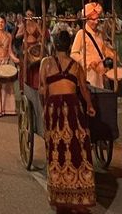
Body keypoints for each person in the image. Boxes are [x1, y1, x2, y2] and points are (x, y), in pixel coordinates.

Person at [39, 31, 96, 214]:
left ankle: (60, 196)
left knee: (56, 151)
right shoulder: (76, 66)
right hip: (72, 108)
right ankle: (79, 193)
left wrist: (44, 109)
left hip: (53, 109)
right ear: (70, 46)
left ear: (55, 45)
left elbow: (43, 90)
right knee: (77, 149)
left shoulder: (46, 64)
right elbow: (84, 90)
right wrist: (89, 106)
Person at [70, 2, 115, 88]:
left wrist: (112, 55)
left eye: (97, 19)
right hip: (89, 73)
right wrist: (88, 62)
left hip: (102, 71)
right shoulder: (81, 33)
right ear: (87, 19)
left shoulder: (100, 34)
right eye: (93, 19)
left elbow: (104, 50)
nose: (96, 22)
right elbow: (73, 54)